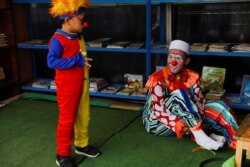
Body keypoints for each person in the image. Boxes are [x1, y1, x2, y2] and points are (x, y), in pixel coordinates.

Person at [142, 39, 238, 150]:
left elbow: (200, 103)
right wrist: (182, 124)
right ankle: (200, 136)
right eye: (171, 57)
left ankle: (236, 140)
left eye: (178, 58)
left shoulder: (192, 77)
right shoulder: (157, 79)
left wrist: (200, 122)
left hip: (189, 118)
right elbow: (159, 111)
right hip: (159, 123)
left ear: (186, 61)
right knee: (179, 95)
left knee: (218, 105)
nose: (173, 61)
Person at [47, 0, 100, 167]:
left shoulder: (79, 36)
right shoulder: (57, 40)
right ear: (68, 19)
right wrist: (76, 60)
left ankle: (82, 145)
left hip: (82, 83)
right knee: (67, 120)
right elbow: (52, 62)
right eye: (81, 19)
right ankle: (62, 154)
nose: (85, 23)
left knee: (84, 116)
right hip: (67, 87)